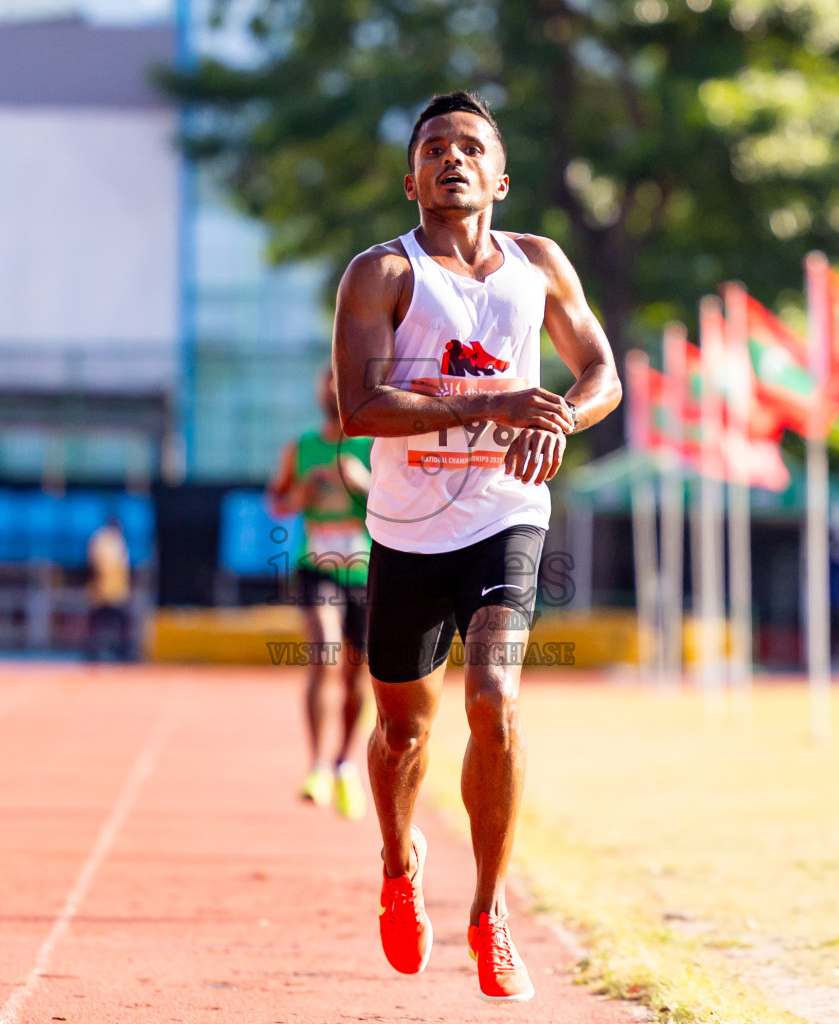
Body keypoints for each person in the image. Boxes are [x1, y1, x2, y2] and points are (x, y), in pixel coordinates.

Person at [332, 91, 620, 1002]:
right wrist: (494, 402)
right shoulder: (382, 273)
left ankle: (490, 914)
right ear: (410, 179)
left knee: (495, 700)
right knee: (402, 732)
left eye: (469, 147)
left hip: (506, 514)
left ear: (500, 177)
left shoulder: (539, 264)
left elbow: (603, 373)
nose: (451, 159)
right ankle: (398, 861)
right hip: (407, 528)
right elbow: (360, 408)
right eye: (433, 149)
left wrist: (560, 418)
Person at [267, 368, 375, 820]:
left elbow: (401, 505)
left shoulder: (376, 446)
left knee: (358, 676)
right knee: (325, 654)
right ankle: (316, 766)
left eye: (338, 378)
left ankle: (344, 764)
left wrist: (361, 482)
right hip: (317, 569)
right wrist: (301, 494)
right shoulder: (301, 448)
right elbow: (276, 502)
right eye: (326, 380)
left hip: (366, 573)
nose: (332, 388)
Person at [85, 515, 132, 661]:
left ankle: (121, 651)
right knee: (97, 622)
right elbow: (93, 566)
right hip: (102, 590)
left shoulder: (119, 541)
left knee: (119, 623)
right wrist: (96, 587)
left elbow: (122, 569)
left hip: (117, 591)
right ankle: (93, 651)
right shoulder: (100, 540)